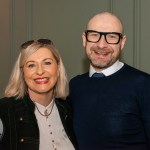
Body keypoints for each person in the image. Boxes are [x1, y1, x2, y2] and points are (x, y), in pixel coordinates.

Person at [69, 12, 150, 150]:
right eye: (94, 35)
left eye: (111, 37)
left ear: (122, 42)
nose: (101, 44)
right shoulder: (75, 86)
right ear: (84, 39)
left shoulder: (144, 84)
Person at [0, 39, 78, 150]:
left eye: (47, 63)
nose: (40, 71)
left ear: (58, 68)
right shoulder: (4, 111)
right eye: (31, 65)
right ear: (22, 72)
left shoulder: (70, 110)